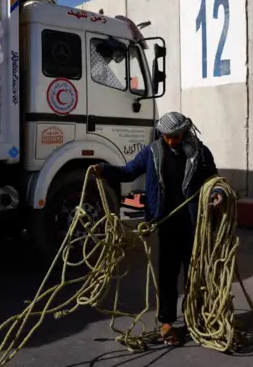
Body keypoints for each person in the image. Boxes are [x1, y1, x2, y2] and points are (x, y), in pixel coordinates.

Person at [92, 111, 225, 346]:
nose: (171, 141)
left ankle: (197, 317)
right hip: (166, 223)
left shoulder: (201, 153)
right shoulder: (151, 153)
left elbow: (213, 178)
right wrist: (103, 170)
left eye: (175, 136)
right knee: (168, 274)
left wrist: (218, 193)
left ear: (185, 132)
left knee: (196, 273)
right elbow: (128, 172)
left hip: (194, 223)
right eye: (166, 137)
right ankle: (166, 322)